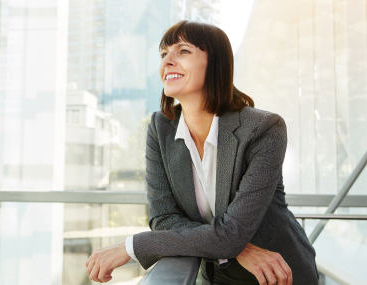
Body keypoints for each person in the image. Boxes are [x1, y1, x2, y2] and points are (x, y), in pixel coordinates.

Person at [85, 20, 319, 285]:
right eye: (164, 54)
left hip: (279, 274)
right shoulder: (160, 128)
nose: (167, 61)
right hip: (214, 274)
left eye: (183, 51)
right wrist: (235, 245)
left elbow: (231, 234)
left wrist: (130, 246)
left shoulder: (264, 128)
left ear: (216, 63)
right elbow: (163, 219)